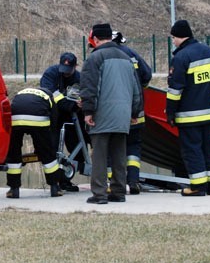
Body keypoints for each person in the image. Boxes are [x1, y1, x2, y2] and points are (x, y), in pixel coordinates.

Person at [80, 23, 142, 204]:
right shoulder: (126, 57)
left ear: (96, 39)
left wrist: (88, 111)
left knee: (99, 154)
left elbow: (89, 88)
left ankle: (99, 194)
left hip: (102, 113)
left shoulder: (94, 59)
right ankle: (119, 192)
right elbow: (136, 88)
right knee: (119, 154)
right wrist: (134, 111)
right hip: (123, 114)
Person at [166, 19, 210, 196]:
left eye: (173, 38)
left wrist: (171, 112)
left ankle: (197, 187)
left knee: (192, 151)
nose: (173, 41)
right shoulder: (209, 52)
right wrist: (204, 97)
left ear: (179, 37)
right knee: (208, 150)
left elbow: (175, 90)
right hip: (208, 113)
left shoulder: (181, 57)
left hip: (189, 116)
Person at [5, 87, 72, 199]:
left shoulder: (21, 92)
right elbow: (53, 121)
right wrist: (45, 145)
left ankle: (13, 190)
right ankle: (55, 188)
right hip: (38, 119)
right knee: (48, 155)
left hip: (15, 119)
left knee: (14, 154)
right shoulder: (49, 96)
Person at [112, 31, 152, 194]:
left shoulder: (103, 55)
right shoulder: (132, 54)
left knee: (111, 146)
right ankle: (133, 181)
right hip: (136, 109)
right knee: (133, 146)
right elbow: (147, 75)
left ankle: (113, 183)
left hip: (114, 111)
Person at [39, 52, 86, 191]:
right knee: (52, 147)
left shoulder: (79, 78)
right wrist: (71, 104)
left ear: (75, 66)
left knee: (77, 145)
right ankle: (55, 181)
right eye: (63, 70)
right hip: (53, 115)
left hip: (72, 116)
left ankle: (66, 178)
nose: (65, 74)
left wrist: (79, 104)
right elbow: (51, 95)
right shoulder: (51, 74)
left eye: (69, 70)